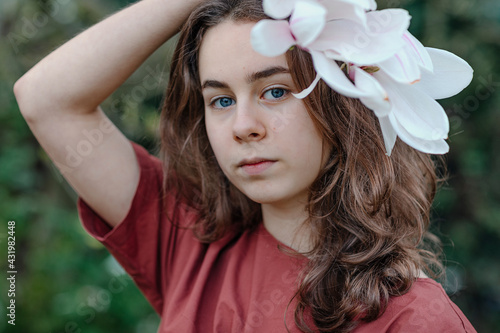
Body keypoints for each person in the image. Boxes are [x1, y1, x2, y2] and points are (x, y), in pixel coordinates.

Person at [14, 0, 476, 331]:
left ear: (346, 101)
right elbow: (46, 100)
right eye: (220, 99)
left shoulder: (413, 318)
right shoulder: (189, 239)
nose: (242, 126)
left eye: (275, 91)